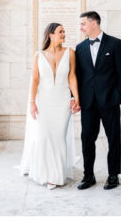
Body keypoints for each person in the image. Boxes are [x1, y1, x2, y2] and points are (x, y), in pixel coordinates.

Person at [18, 23, 79, 189]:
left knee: (59, 138)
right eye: (61, 32)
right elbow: (35, 80)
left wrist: (76, 99)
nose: (64, 34)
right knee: (43, 137)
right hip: (43, 101)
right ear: (51, 34)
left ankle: (56, 176)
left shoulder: (70, 53)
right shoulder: (38, 55)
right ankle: (44, 171)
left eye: (64, 31)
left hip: (62, 102)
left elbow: (72, 77)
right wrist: (31, 103)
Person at [74, 11, 121, 190]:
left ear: (94, 23)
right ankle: (88, 175)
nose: (81, 27)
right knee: (86, 139)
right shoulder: (80, 48)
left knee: (113, 139)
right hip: (88, 103)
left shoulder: (115, 44)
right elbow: (77, 76)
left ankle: (113, 175)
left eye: (83, 23)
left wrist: (116, 96)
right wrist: (75, 98)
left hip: (109, 102)